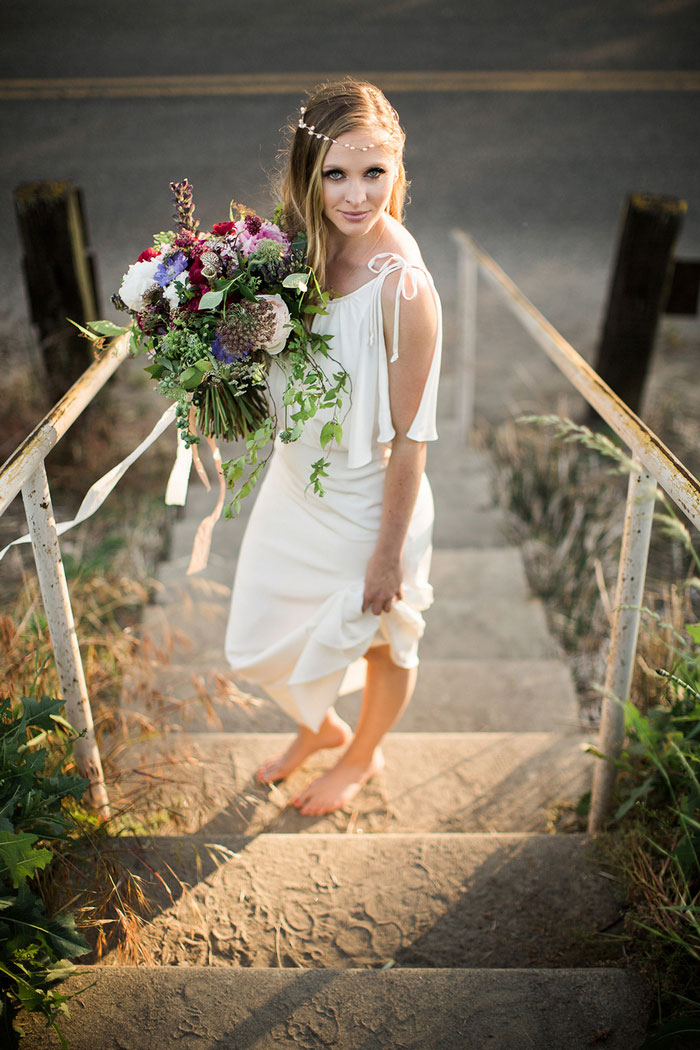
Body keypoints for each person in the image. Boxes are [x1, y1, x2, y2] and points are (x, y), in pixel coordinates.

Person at [225, 79, 441, 816]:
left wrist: (388, 553)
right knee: (256, 639)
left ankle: (361, 755)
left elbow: (413, 439)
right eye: (337, 174)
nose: (356, 195)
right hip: (296, 479)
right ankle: (319, 727)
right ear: (308, 172)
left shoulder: (403, 287)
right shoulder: (288, 249)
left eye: (374, 172)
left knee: (384, 636)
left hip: (369, 497)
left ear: (397, 169)